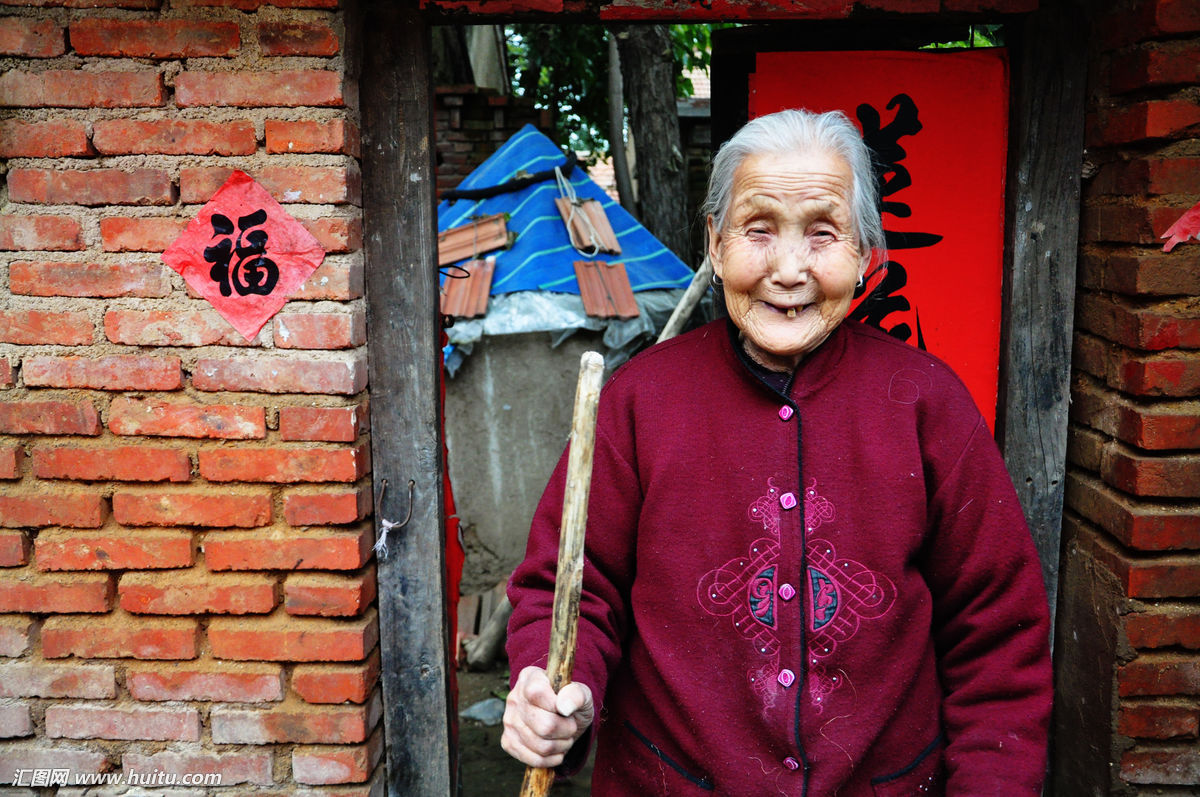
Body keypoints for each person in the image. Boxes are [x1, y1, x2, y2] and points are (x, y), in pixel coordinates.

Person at [502, 108, 1052, 796]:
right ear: (716, 243)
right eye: (758, 230)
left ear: (865, 255)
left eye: (822, 234)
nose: (788, 270)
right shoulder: (639, 400)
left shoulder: (926, 403)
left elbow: (997, 637)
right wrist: (556, 691)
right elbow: (573, 587)